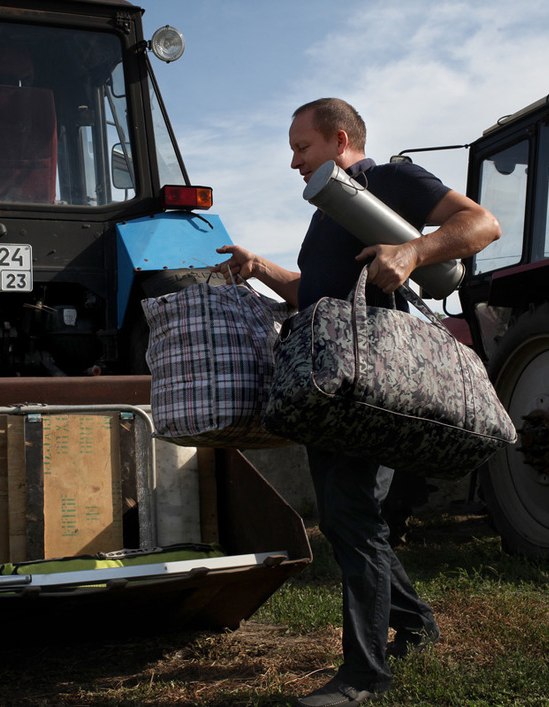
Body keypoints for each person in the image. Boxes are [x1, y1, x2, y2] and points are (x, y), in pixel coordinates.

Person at [217, 98, 500, 706]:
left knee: (350, 516)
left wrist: (414, 251)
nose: (293, 161)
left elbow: (482, 223)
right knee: (349, 518)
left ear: (339, 139)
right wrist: (259, 265)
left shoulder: (389, 179)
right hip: (333, 384)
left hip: (373, 381)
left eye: (302, 148)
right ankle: (416, 624)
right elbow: (315, 292)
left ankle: (364, 676)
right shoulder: (328, 207)